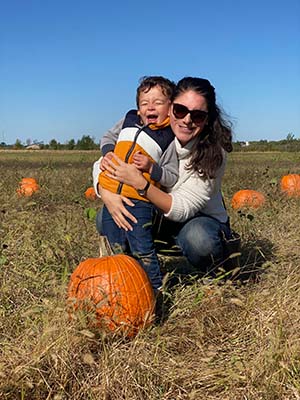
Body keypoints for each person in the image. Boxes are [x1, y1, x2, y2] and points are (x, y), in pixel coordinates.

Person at [94, 76, 234, 277]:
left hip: (198, 221)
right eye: (180, 110)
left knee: (198, 237)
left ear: (208, 118)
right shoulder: (153, 133)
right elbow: (102, 163)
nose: (187, 120)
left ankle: (219, 268)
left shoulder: (213, 152)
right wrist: (106, 192)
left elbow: (182, 209)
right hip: (159, 217)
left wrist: (141, 183)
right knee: (107, 215)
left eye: (197, 115)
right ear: (170, 109)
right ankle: (130, 274)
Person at [95, 76, 179, 291]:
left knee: (142, 247)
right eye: (144, 103)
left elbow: (171, 175)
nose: (150, 107)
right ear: (138, 108)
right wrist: (108, 153)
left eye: (158, 102)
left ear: (170, 107)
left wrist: (152, 168)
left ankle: (155, 290)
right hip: (112, 195)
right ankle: (121, 289)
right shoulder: (128, 120)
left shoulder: (170, 137)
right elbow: (107, 137)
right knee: (115, 246)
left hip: (141, 202)